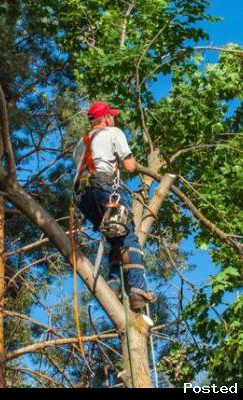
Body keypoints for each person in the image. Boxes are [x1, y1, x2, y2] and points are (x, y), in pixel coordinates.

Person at [72, 101, 156, 313]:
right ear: (106, 118)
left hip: (83, 197)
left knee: (114, 237)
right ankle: (137, 291)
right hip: (105, 187)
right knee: (128, 237)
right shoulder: (112, 132)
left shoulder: (80, 144)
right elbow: (130, 165)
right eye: (112, 116)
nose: (115, 120)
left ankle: (114, 287)